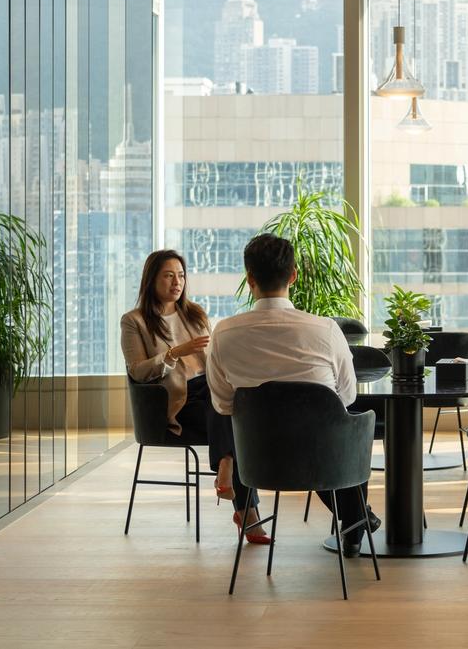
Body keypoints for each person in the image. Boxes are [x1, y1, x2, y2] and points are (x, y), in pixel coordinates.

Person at [205, 233, 377, 557]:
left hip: (257, 460)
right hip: (324, 459)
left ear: (249, 278)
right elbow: (349, 395)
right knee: (350, 424)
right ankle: (355, 520)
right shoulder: (325, 329)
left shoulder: (224, 333)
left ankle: (357, 519)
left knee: (235, 416)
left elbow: (222, 403)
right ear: (294, 275)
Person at [121, 250, 266, 543]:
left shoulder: (195, 313)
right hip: (175, 402)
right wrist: (175, 353)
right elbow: (138, 371)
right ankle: (245, 508)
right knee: (228, 412)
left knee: (229, 402)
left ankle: (227, 468)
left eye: (182, 275)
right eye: (169, 275)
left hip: (207, 389)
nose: (177, 282)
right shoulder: (134, 321)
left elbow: (214, 361)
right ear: (151, 280)